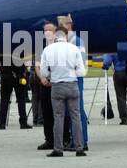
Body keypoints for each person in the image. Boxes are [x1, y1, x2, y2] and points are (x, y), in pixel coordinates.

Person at [37, 26, 87, 157]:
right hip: (72, 85)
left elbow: (44, 72)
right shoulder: (74, 48)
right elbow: (82, 71)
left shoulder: (47, 50)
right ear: (66, 35)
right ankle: (79, 147)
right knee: (76, 117)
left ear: (55, 35)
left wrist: (52, 75)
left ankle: (58, 148)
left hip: (57, 86)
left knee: (58, 117)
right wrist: (71, 73)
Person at [58, 15, 89, 150]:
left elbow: (81, 62)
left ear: (69, 25)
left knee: (77, 111)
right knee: (71, 112)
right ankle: (75, 140)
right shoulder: (67, 41)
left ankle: (83, 141)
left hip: (75, 79)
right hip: (69, 79)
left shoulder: (77, 41)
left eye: (61, 24)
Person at [34, 22, 57, 150]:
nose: (47, 33)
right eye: (45, 31)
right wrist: (42, 77)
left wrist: (53, 79)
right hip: (44, 83)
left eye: (50, 30)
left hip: (56, 83)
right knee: (46, 113)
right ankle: (49, 139)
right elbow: (37, 66)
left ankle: (63, 138)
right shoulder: (40, 47)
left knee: (59, 113)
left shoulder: (60, 46)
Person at [0, 52, 31, 130]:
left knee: (4, 100)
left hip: (6, 75)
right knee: (21, 99)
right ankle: (23, 122)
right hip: (18, 75)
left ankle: (2, 123)